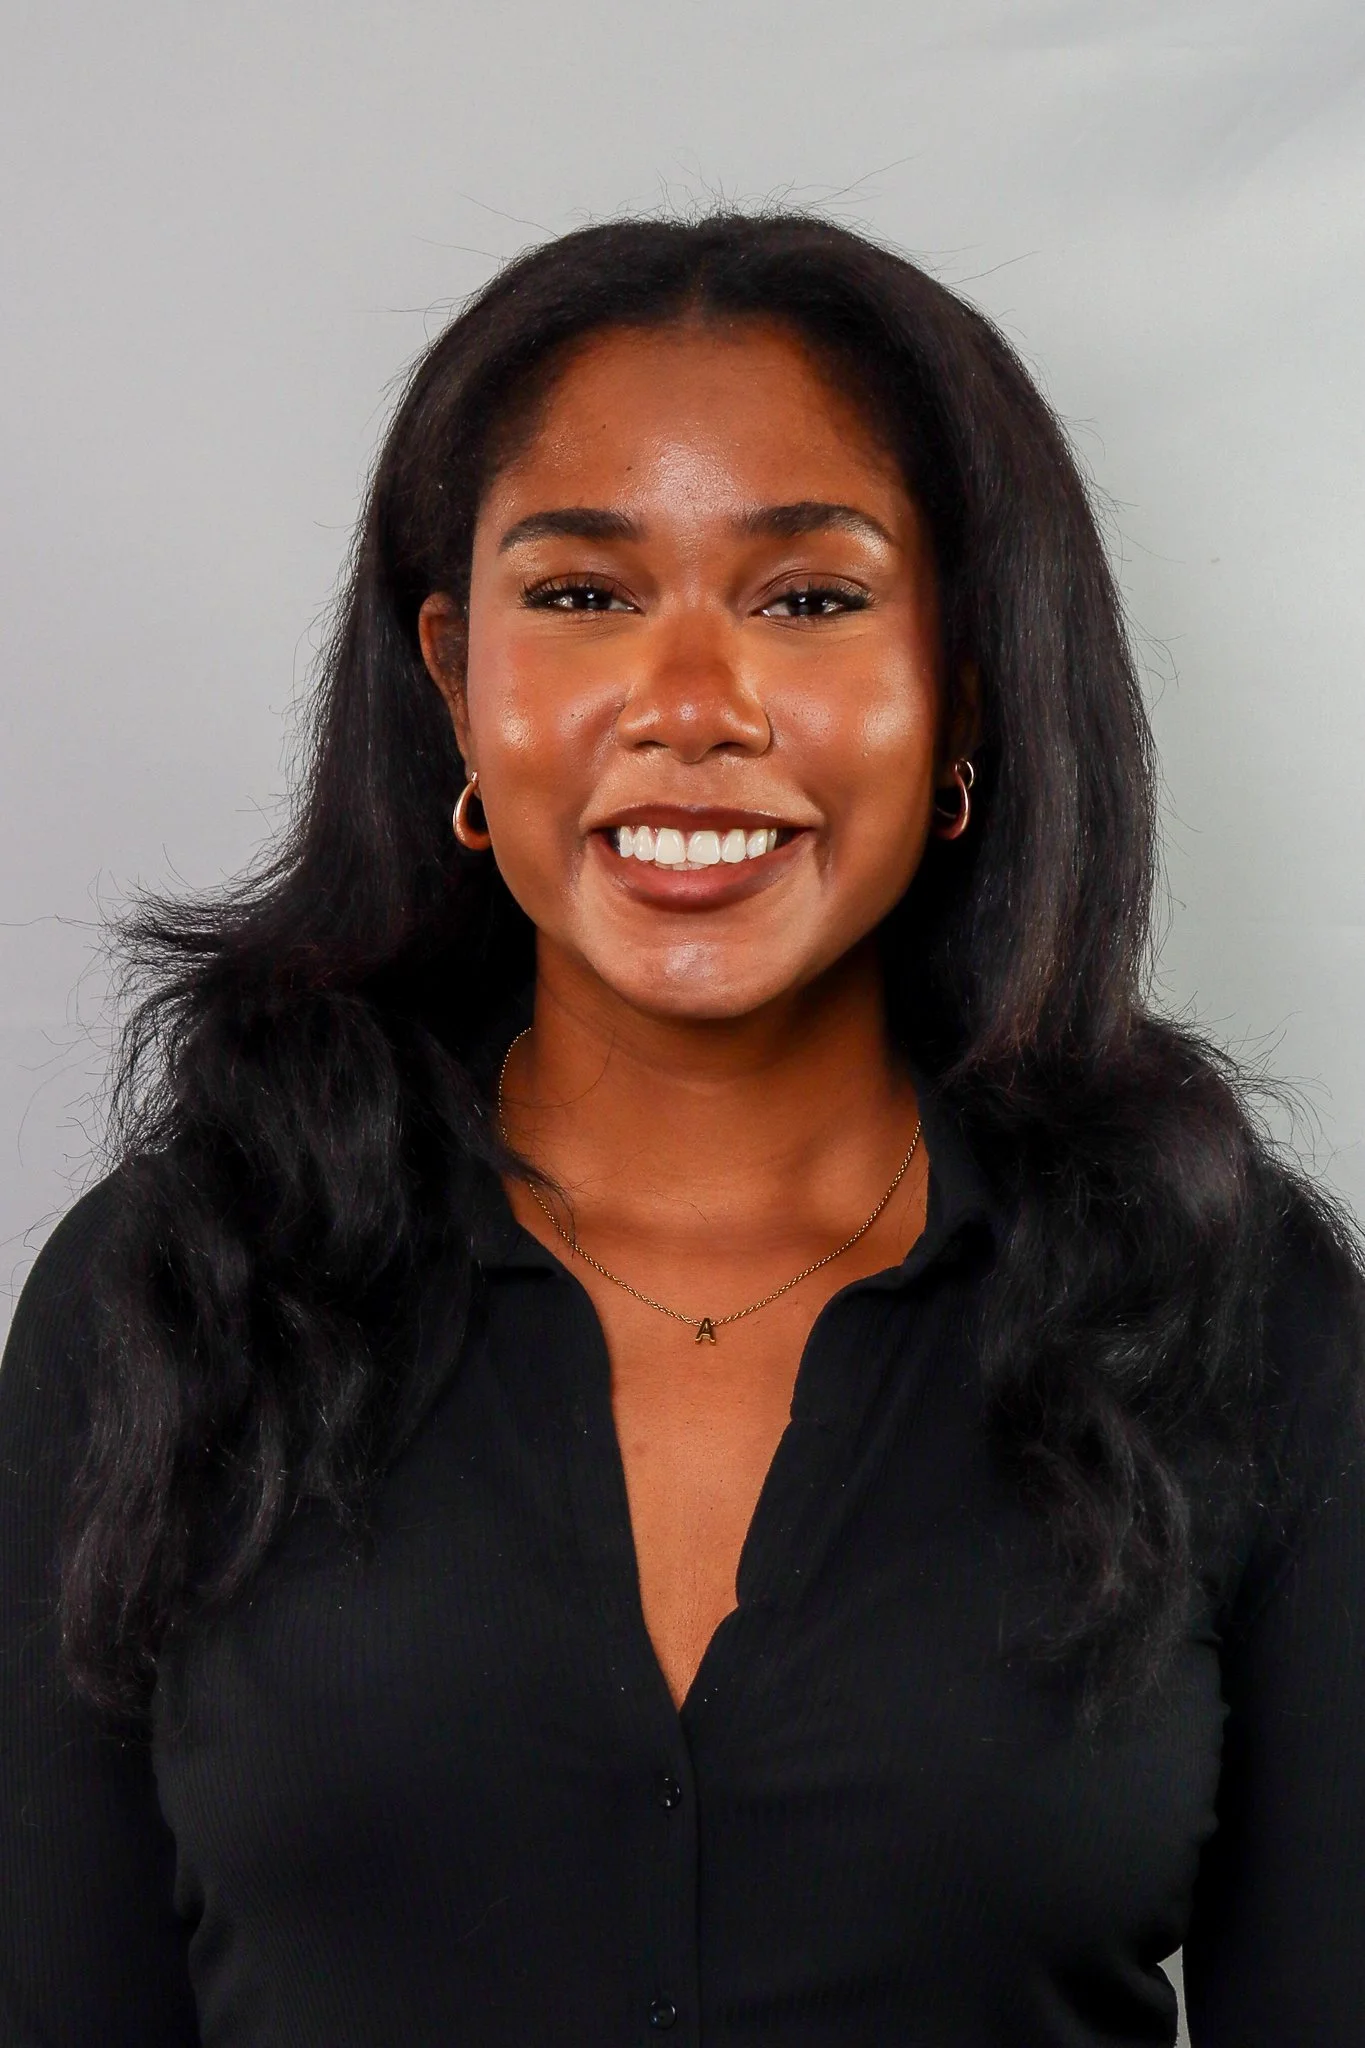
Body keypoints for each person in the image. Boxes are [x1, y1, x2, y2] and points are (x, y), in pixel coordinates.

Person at [1, 213, 1361, 2048]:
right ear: (455, 677)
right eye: (581, 596)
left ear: (963, 678)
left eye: (808, 598)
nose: (692, 708)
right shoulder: (175, 1288)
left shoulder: (1236, 1317)